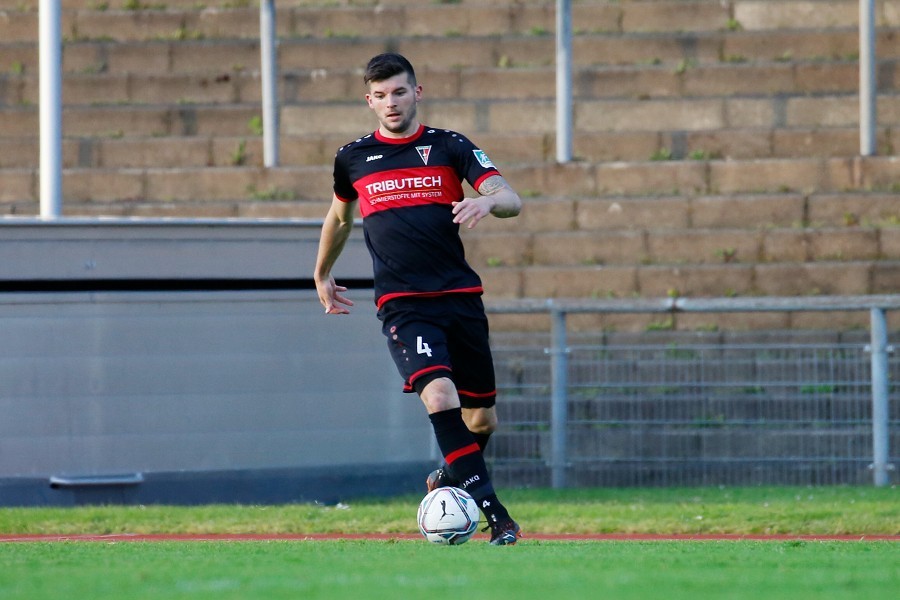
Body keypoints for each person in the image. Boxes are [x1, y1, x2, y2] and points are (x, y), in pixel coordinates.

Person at [313, 53, 523, 545]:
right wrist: (322, 272)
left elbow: (511, 198)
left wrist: (487, 201)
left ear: (417, 92)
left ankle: (451, 478)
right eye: (381, 95)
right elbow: (341, 218)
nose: (391, 102)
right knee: (439, 395)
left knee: (481, 419)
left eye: (400, 92)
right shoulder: (353, 158)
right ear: (369, 100)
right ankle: (497, 516)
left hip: (460, 297)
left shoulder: (449, 147)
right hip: (403, 304)